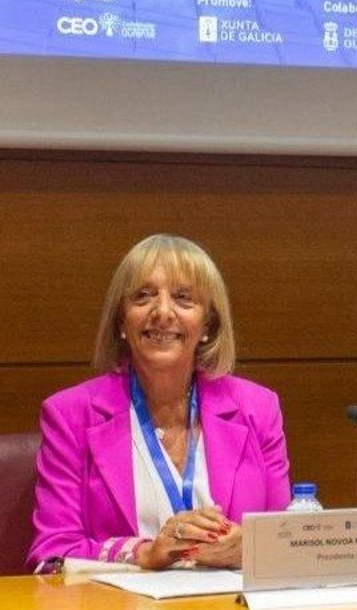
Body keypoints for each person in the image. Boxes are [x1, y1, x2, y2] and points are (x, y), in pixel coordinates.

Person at [28, 235, 290, 571]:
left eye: (183, 298)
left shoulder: (257, 408)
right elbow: (51, 553)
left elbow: (286, 541)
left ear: (208, 323)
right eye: (143, 296)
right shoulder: (70, 414)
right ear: (121, 321)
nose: (162, 312)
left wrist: (251, 548)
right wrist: (144, 553)